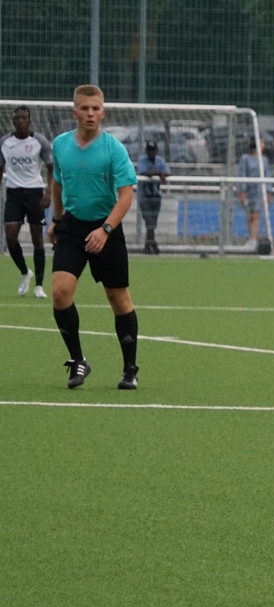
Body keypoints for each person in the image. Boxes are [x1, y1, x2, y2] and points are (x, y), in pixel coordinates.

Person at [48, 84, 139, 390]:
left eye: (95, 109)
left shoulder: (114, 149)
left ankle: (129, 369)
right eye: (84, 108)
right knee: (60, 292)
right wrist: (56, 219)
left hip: (106, 226)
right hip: (72, 226)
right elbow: (58, 182)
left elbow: (126, 195)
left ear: (103, 113)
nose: (90, 113)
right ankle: (78, 361)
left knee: (118, 299)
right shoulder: (61, 145)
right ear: (75, 112)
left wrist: (105, 230)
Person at [0, 105, 53, 298]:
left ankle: (39, 285)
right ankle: (25, 272)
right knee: (10, 236)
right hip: (14, 193)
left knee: (37, 238)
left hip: (35, 193)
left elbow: (51, 167)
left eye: (24, 118)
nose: (21, 121)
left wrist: (48, 192)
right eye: (18, 118)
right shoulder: (5, 142)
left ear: (29, 121)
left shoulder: (39, 141)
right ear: (13, 121)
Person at [237, 138, 271, 251]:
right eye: (261, 142)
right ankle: (251, 238)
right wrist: (242, 190)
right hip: (249, 190)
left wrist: (268, 191)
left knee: (256, 215)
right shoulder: (245, 158)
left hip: (259, 191)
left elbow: (267, 175)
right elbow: (242, 174)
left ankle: (253, 238)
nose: (264, 144)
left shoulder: (264, 160)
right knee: (249, 215)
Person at [136, 141, 169, 255]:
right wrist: (159, 173)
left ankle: (149, 245)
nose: (151, 153)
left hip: (156, 195)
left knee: (153, 222)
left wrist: (162, 174)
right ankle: (152, 244)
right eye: (149, 151)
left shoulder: (160, 160)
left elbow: (167, 172)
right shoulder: (142, 160)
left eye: (153, 150)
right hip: (144, 196)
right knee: (149, 221)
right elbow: (143, 172)